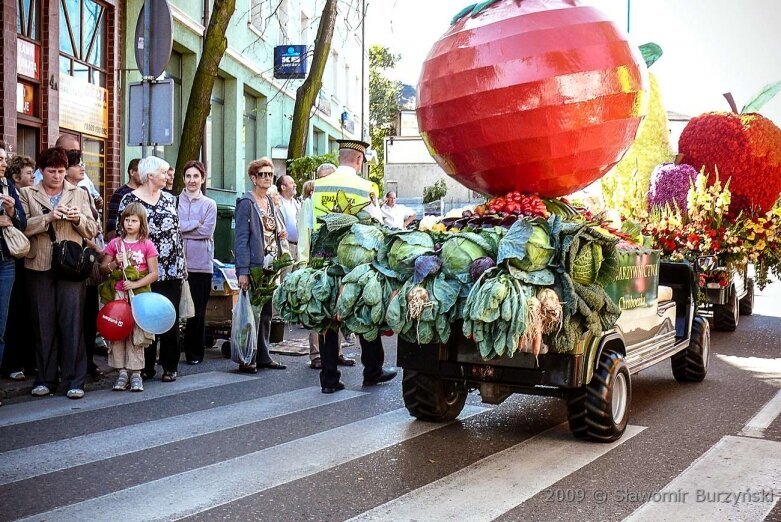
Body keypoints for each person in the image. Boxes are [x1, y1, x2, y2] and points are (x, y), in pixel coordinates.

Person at [311, 140, 396, 393]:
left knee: (328, 317)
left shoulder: (318, 186)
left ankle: (329, 379)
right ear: (359, 160)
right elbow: (377, 226)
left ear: (340, 158)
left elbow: (309, 224)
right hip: (355, 262)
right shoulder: (366, 186)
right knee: (363, 315)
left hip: (323, 260)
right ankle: (372, 371)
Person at [19, 147, 99, 399]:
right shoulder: (26, 193)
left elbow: (92, 228)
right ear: (42, 171)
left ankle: (75, 380)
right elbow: (21, 227)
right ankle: (45, 378)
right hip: (39, 263)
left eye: (62, 172)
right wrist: (48, 218)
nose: (57, 176)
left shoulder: (79, 193)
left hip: (71, 264)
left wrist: (77, 219)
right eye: (52, 171)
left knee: (72, 321)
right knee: (43, 324)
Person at [118, 156, 185, 383]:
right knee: (144, 318)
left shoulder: (170, 199)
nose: (168, 177)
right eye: (164, 173)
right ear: (150, 176)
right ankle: (144, 366)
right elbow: (123, 234)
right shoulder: (130, 200)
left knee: (169, 316)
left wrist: (182, 266)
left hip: (171, 268)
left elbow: (178, 235)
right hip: (142, 269)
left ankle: (170, 365)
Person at [297, 163, 354, 370]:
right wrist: (304, 263)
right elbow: (304, 233)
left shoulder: (341, 200)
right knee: (319, 308)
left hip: (337, 261)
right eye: (323, 178)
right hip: (317, 261)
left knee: (337, 306)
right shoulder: (310, 203)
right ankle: (317, 355)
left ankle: (337, 352)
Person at [235, 157, 289, 373]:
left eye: (270, 174)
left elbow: (271, 229)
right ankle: (247, 356)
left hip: (271, 265)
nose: (267, 178)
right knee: (251, 315)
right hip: (254, 266)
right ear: (253, 178)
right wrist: (243, 272)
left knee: (266, 313)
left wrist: (279, 233)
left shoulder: (270, 202)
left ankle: (263, 354)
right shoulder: (246, 204)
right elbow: (241, 239)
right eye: (263, 174)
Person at [100, 203, 159, 392]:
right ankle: (122, 372)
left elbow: (154, 274)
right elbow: (103, 268)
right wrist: (114, 265)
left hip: (139, 297)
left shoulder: (147, 245)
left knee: (136, 334)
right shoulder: (115, 243)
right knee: (118, 332)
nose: (130, 224)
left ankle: (136, 373)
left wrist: (134, 284)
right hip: (118, 296)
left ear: (142, 223)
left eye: (134, 220)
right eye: (127, 219)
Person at [65, 149, 105, 378]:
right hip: (75, 258)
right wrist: (97, 247)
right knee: (74, 317)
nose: (82, 168)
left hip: (89, 263)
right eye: (77, 164)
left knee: (89, 313)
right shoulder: (65, 194)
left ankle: (88, 361)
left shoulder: (85, 192)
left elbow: (93, 224)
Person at [177, 160, 217, 365]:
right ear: (183, 179)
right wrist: (194, 224)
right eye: (188, 176)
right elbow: (172, 229)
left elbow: (207, 232)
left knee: (197, 312)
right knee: (174, 310)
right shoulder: (174, 202)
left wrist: (183, 229)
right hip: (176, 264)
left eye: (196, 176)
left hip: (201, 265)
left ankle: (194, 353)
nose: (192, 180)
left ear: (202, 179)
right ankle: (172, 353)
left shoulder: (210, 204)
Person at [0, 154, 34, 382]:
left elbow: (23, 223)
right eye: (0, 159)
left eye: (4, 159)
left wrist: (12, 214)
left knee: (2, 326)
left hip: (6, 262)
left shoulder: (8, 187)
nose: (4, 162)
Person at [106, 159, 141, 241]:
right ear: (132, 172)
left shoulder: (146, 193)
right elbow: (112, 219)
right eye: (142, 171)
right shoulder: (120, 193)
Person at [276, 175, 300, 262]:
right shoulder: (276, 204)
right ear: (283, 187)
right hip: (284, 248)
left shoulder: (297, 203)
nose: (295, 185)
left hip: (297, 248)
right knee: (285, 275)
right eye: (291, 183)